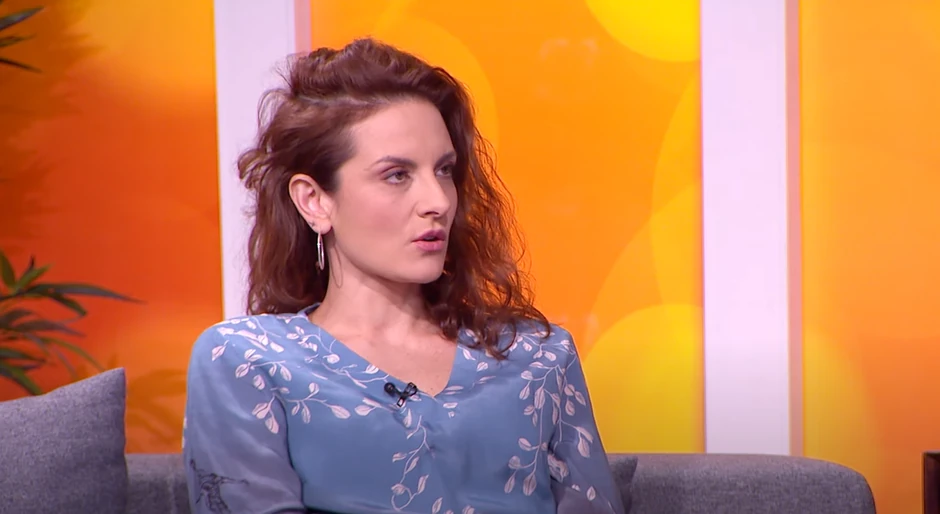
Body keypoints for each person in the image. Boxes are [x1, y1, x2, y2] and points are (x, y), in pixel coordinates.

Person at [182, 38, 625, 514]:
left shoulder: (538, 357)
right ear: (315, 201)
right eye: (397, 175)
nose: (438, 201)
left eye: (445, 170)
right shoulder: (247, 361)